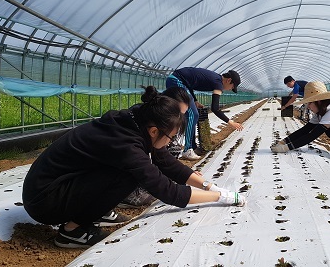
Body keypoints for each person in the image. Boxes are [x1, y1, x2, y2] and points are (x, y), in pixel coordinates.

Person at [22, 89, 246, 249]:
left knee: (129, 171)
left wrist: (208, 184)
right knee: (128, 176)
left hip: (53, 186)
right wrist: (218, 197)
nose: (169, 143)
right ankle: (72, 231)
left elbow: (165, 161)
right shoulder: (127, 144)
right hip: (45, 200)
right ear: (154, 131)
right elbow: (165, 190)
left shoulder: (138, 119)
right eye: (169, 137)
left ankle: (95, 210)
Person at [166, 67, 244, 160]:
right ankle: (187, 149)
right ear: (229, 80)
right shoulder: (218, 83)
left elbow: (189, 83)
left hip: (177, 80)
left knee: (192, 114)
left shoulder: (216, 79)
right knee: (192, 114)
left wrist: (195, 100)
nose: (230, 89)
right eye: (232, 87)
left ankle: (193, 147)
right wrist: (230, 122)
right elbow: (215, 108)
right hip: (177, 81)